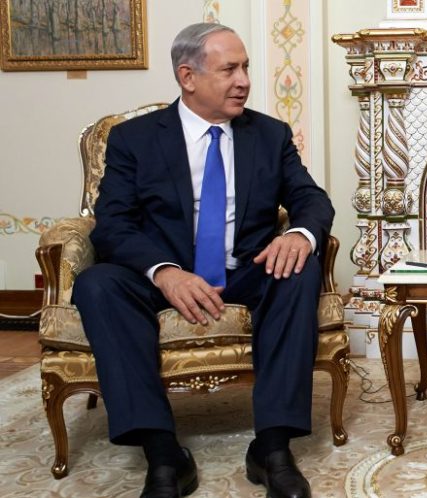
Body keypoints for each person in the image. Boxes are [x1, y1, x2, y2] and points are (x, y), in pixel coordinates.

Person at [72, 23, 333, 498]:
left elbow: (310, 199)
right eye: (229, 69)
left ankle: (272, 448)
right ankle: (163, 454)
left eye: (246, 67)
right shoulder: (134, 139)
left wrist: (299, 235)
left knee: (299, 269)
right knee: (97, 284)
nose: (244, 81)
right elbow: (112, 224)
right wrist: (165, 272)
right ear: (187, 77)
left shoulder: (269, 134)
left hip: (246, 269)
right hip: (164, 275)